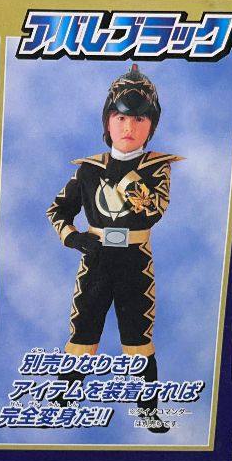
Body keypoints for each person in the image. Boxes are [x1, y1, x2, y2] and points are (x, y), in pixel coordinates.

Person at [46, 65, 181, 433]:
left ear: (151, 125)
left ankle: (147, 410)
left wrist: (124, 176)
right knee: (83, 332)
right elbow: (57, 210)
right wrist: (73, 237)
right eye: (120, 117)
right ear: (107, 120)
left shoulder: (157, 168)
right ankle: (62, 403)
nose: (128, 127)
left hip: (134, 261)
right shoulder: (88, 170)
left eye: (139, 118)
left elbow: (155, 210)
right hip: (96, 259)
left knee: (138, 337)